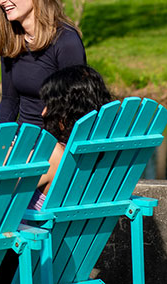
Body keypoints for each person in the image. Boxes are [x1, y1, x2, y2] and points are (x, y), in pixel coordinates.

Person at [0, 0, 86, 126]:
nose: (1, 0)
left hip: (57, 142)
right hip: (23, 140)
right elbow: (9, 100)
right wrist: (2, 141)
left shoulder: (66, 41)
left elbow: (77, 106)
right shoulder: (12, 42)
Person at [29, 64, 113, 210]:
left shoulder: (54, 154)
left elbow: (2, 190)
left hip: (35, 231)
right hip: (90, 231)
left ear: (66, 112)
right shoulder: (104, 154)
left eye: (49, 105)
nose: (43, 113)